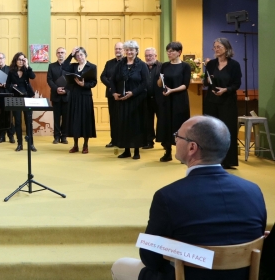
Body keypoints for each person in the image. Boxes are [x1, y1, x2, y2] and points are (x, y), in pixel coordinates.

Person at [111, 116, 267, 280]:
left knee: (120, 266)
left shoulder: (168, 196)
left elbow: (150, 258)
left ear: (192, 147)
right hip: (241, 276)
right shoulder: (253, 191)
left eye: (178, 136)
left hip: (188, 276)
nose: (175, 140)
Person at [203, 38, 242, 169]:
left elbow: (237, 84)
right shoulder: (210, 64)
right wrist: (207, 80)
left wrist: (226, 90)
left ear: (226, 48)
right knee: (211, 130)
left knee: (227, 130)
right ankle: (210, 159)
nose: (216, 49)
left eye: (219, 47)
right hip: (211, 101)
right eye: (214, 47)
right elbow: (205, 82)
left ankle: (227, 161)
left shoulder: (234, 65)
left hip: (227, 102)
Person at [110, 40, 149, 160]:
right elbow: (112, 79)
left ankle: (136, 150)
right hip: (122, 100)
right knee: (124, 125)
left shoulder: (142, 65)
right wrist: (114, 93)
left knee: (136, 125)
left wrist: (133, 93)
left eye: (132, 50)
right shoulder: (120, 64)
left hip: (137, 100)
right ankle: (126, 150)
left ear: (136, 51)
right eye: (127, 50)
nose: (129, 52)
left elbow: (145, 82)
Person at [156, 42, 191, 162]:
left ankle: (182, 154)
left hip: (179, 99)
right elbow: (159, 84)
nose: (169, 53)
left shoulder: (185, 66)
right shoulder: (164, 65)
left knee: (179, 125)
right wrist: (160, 79)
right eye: (168, 51)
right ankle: (167, 152)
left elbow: (185, 85)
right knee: (166, 124)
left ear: (179, 52)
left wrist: (172, 90)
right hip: (166, 99)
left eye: (172, 51)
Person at [64, 47, 97, 153]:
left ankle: (85, 145)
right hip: (74, 96)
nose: (79, 57)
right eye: (77, 56)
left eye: (81, 55)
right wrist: (71, 54)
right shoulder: (73, 66)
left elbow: (94, 82)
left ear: (85, 55)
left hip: (85, 96)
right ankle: (75, 145)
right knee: (75, 120)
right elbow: (64, 66)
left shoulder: (92, 67)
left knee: (85, 120)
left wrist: (84, 84)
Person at [6, 52, 36, 152]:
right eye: (19, 59)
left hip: (27, 97)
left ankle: (31, 144)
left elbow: (33, 76)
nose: (21, 61)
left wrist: (27, 65)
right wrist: (12, 86)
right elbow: (7, 85)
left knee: (28, 121)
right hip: (16, 98)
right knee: (18, 122)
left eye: (23, 60)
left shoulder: (27, 70)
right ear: (15, 60)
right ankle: (19, 144)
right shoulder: (11, 71)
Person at [101, 42, 123, 148]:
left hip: (123, 95)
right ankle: (113, 140)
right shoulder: (109, 63)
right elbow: (102, 76)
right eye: (116, 49)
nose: (118, 50)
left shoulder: (126, 62)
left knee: (122, 118)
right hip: (111, 95)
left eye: (120, 49)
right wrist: (112, 86)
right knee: (113, 118)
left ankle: (122, 140)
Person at [47, 47, 71, 145]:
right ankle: (56, 137)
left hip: (66, 96)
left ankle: (64, 136)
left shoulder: (70, 66)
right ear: (56, 54)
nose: (60, 54)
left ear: (65, 54)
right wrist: (56, 88)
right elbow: (49, 80)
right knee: (56, 117)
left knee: (66, 117)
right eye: (59, 53)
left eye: (62, 53)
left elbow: (72, 80)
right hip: (55, 95)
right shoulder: (51, 66)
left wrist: (66, 90)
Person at [143, 48, 162, 149]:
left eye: (150, 55)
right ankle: (149, 141)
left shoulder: (162, 66)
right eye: (146, 55)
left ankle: (164, 142)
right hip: (146, 98)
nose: (148, 57)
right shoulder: (142, 67)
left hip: (159, 98)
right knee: (147, 121)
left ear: (156, 55)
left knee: (162, 120)